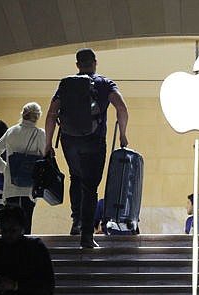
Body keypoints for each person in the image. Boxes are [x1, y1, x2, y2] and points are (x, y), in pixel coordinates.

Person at [44, 48, 129, 248]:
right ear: (95, 62)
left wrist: (48, 143)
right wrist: (123, 134)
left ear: (77, 65)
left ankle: (76, 222)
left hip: (69, 140)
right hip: (94, 140)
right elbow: (122, 108)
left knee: (76, 177)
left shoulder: (65, 84)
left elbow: (50, 114)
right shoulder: (105, 83)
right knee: (90, 187)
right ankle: (87, 236)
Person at [0, 102, 46, 234]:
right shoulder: (39, 134)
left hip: (11, 187)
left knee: (10, 226)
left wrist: (5, 168)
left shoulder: (11, 131)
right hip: (29, 188)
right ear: (37, 116)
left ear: (23, 114)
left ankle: (9, 253)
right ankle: (25, 253)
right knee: (26, 226)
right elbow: (44, 157)